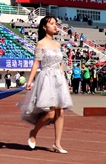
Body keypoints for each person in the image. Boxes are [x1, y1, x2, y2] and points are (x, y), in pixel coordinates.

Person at [19, 16, 72, 153]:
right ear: (44, 27)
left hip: (58, 78)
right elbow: (36, 63)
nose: (55, 26)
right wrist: (29, 81)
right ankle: (34, 132)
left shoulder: (58, 45)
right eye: (51, 23)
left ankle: (57, 143)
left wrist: (64, 80)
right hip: (46, 77)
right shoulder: (41, 44)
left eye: (56, 24)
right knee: (50, 113)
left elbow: (60, 64)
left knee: (60, 111)